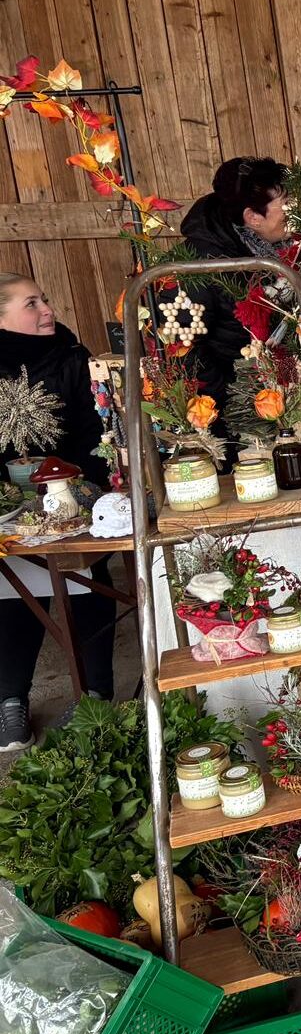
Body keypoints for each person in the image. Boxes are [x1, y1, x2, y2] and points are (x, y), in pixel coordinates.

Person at [0, 275, 115, 750]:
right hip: (10, 509)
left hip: (78, 495)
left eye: (44, 299)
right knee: (13, 588)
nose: (48, 310)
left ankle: (95, 694)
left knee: (87, 579)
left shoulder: (73, 358)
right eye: (32, 304)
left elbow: (99, 433)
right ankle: (10, 701)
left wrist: (75, 481)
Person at [179, 156, 291, 419]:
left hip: (278, 394)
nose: (296, 211)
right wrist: (235, 399)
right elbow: (185, 349)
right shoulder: (201, 263)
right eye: (286, 205)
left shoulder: (281, 245)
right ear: (253, 217)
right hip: (235, 409)